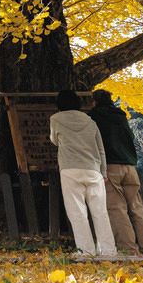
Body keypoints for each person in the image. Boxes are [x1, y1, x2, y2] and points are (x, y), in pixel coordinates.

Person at [89, 88, 143, 255]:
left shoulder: (94, 117)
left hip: (110, 166)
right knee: (136, 208)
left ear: (94, 101)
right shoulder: (122, 116)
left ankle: (129, 249)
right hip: (130, 167)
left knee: (117, 208)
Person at [49, 90, 116, 257]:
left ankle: (86, 251)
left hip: (70, 168)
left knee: (77, 212)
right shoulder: (90, 121)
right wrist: (103, 171)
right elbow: (100, 149)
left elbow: (54, 140)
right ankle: (108, 250)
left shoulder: (55, 119)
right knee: (100, 212)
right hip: (93, 169)